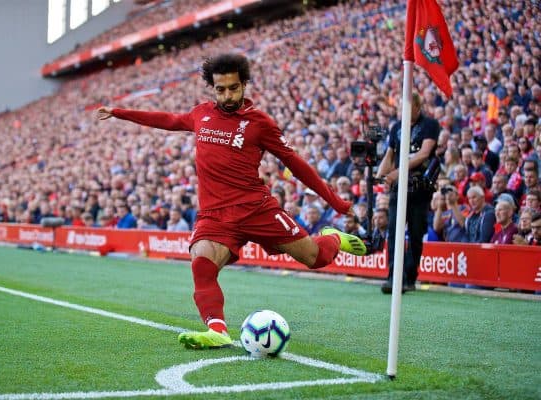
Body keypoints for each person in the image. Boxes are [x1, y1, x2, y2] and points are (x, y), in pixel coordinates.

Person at [96, 53, 366, 350]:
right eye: (220, 89)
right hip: (215, 215)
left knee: (315, 259)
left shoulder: (260, 123)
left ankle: (333, 239)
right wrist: (120, 112)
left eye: (233, 88)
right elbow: (169, 120)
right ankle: (218, 329)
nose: (227, 95)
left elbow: (297, 163)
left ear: (244, 85)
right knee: (201, 264)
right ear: (212, 88)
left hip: (256, 208)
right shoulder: (201, 114)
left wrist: (338, 203)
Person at [376, 93, 440, 294]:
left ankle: (409, 277)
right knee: (394, 232)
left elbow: (424, 153)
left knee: (414, 234)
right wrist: (379, 177)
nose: (402, 111)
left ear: (418, 106)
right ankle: (393, 278)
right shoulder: (396, 127)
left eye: (406, 107)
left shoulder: (430, 124)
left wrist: (397, 172)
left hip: (419, 187)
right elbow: (389, 154)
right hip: (398, 187)